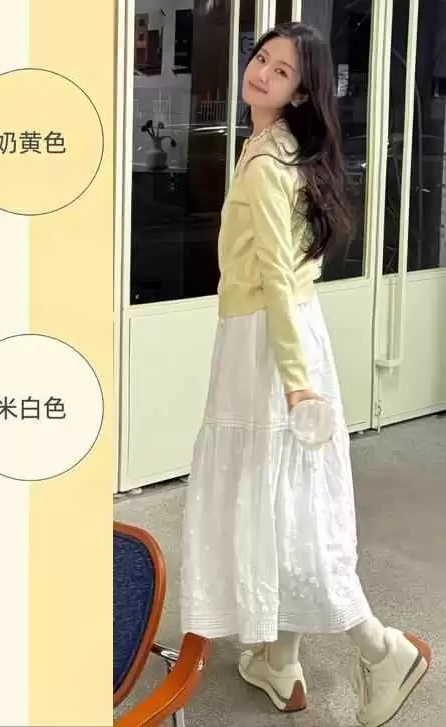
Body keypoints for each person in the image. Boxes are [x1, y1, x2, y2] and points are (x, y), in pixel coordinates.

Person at [179, 22, 431, 727]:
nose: (260, 72)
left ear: (299, 93)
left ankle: (380, 647)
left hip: (267, 344)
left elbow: (280, 280)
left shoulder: (265, 163)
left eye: (281, 70)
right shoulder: (281, 147)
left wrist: (293, 381)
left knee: (284, 505)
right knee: (283, 497)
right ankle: (279, 660)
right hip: (283, 338)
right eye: (261, 57)